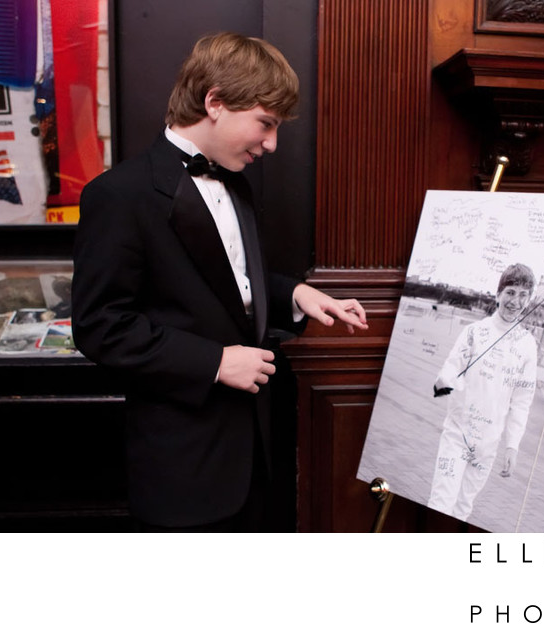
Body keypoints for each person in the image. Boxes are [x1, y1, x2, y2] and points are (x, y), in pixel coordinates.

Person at [71, 32, 367, 532]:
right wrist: (215, 361)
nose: (272, 144)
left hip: (252, 452)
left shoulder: (237, 184)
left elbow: (228, 284)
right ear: (214, 102)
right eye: (266, 124)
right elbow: (100, 326)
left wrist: (295, 293)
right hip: (182, 463)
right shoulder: (118, 195)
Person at [428, 263, 537, 521]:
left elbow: (522, 401)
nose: (515, 301)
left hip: (488, 445)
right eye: (510, 292)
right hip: (457, 436)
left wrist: (512, 446)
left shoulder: (528, 345)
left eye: (523, 295)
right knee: (440, 503)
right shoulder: (474, 333)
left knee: (463, 508)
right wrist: (448, 387)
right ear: (498, 294)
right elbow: (449, 373)